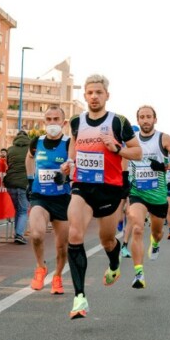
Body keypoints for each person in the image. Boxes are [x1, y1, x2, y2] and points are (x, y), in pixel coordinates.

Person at [59, 75, 142, 320]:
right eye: (90, 92)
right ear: (84, 95)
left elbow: (137, 152)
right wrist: (70, 162)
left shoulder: (119, 121)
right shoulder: (76, 121)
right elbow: (74, 145)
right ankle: (79, 298)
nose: (94, 96)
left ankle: (114, 263)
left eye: (99, 92)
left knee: (107, 240)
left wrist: (117, 148)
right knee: (74, 234)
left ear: (107, 95)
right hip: (82, 186)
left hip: (110, 188)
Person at [125, 105, 170, 288]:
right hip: (137, 192)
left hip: (158, 195)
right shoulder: (131, 140)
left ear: (155, 119)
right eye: (142, 117)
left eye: (148, 116)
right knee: (137, 227)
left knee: (157, 233)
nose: (145, 120)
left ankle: (155, 242)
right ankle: (138, 274)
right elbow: (122, 159)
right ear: (137, 121)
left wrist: (164, 167)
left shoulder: (163, 138)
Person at [25, 106, 73, 295]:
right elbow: (29, 158)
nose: (52, 123)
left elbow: (74, 164)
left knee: (62, 246)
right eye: (49, 119)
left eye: (56, 119)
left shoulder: (70, 143)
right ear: (44, 122)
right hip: (40, 196)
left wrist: (67, 175)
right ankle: (40, 267)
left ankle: (58, 276)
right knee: (36, 235)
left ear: (64, 122)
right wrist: (30, 180)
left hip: (62, 198)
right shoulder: (37, 141)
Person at [4, 130, 32, 245]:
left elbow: (7, 163)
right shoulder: (31, 149)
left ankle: (17, 233)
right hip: (24, 183)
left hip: (10, 183)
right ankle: (19, 234)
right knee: (23, 210)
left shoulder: (10, 149)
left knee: (18, 210)